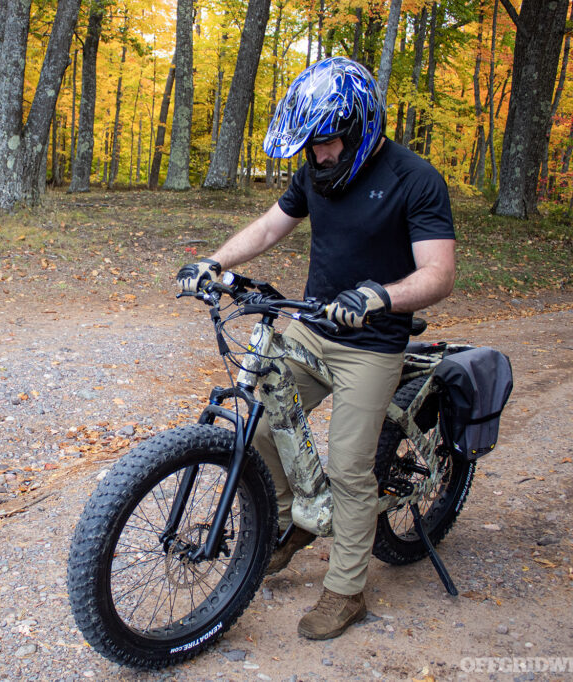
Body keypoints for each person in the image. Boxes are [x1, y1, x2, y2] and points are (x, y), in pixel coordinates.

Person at [175, 57, 456, 641]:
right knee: (255, 423)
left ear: (359, 129)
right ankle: (292, 521)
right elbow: (271, 226)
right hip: (311, 326)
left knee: (351, 468)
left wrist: (381, 295)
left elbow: (438, 274)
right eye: (310, 145)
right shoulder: (314, 173)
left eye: (326, 143)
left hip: (372, 343)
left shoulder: (415, 178)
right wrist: (215, 262)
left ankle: (345, 590)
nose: (318, 155)